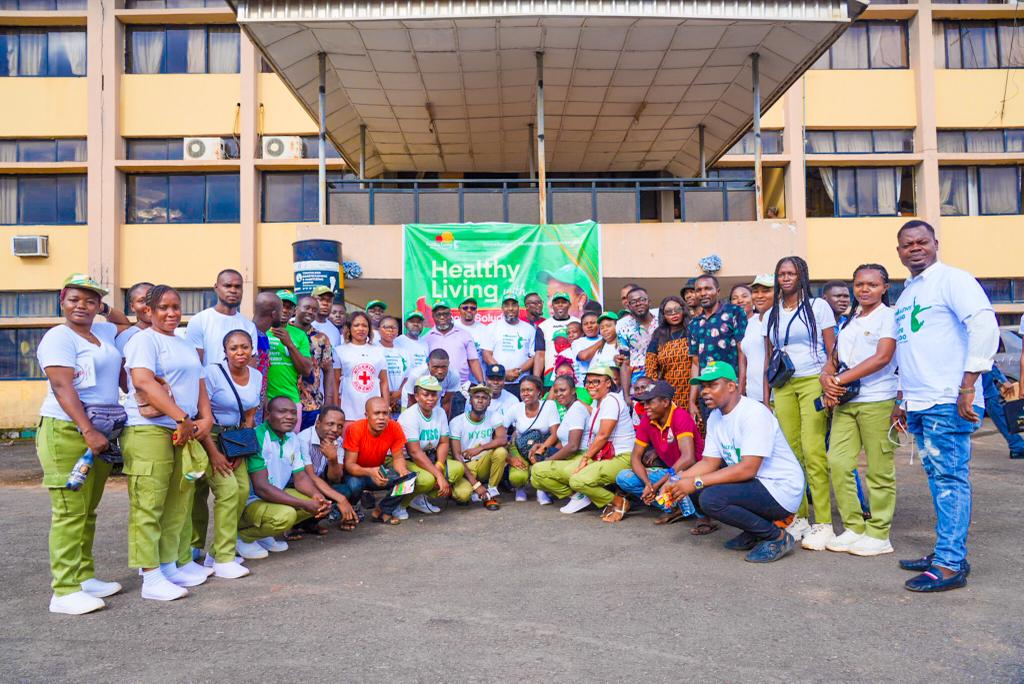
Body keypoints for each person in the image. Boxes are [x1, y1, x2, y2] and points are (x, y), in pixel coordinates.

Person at [891, 220, 998, 592]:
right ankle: (945, 550)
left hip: (947, 399)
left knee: (951, 480)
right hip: (921, 402)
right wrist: (903, 399)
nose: (915, 248)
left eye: (922, 242)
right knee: (939, 480)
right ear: (899, 251)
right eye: (907, 244)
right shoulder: (907, 294)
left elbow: (984, 324)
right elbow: (910, 351)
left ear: (936, 244)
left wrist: (969, 384)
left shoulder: (953, 279)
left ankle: (950, 564)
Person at [36, 275, 128, 614]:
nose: (82, 306)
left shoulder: (100, 331)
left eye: (90, 301)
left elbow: (122, 321)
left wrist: (104, 307)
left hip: (101, 430)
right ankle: (63, 590)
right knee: (69, 512)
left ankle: (84, 576)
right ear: (62, 299)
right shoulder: (58, 337)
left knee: (87, 511)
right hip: (68, 430)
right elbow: (63, 388)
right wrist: (87, 430)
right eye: (75, 299)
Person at [661, 361, 805, 563]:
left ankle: (776, 537)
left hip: (781, 488)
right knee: (696, 489)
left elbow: (748, 469)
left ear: (731, 386)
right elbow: (709, 462)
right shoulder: (715, 417)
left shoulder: (754, 413)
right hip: (756, 484)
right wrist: (677, 479)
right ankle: (754, 531)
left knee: (710, 497)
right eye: (703, 386)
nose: (705, 391)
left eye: (712, 385)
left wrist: (695, 481)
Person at [122, 284, 214, 601]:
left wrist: (205, 418)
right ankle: (150, 576)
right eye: (163, 307)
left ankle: (168, 564)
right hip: (150, 430)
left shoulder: (184, 343)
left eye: (176, 307)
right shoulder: (143, 341)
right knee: (149, 505)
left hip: (183, 430)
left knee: (178, 502)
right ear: (147, 310)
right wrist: (180, 418)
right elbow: (143, 381)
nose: (172, 313)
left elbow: (200, 382)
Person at [819, 264, 898, 556]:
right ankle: (853, 527)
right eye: (859, 284)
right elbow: (834, 358)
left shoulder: (888, 317)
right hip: (846, 402)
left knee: (879, 469)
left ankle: (879, 534)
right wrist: (826, 378)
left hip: (878, 399)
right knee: (838, 461)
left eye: (872, 285)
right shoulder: (851, 319)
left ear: (884, 288)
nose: (864, 290)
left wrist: (837, 380)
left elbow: (882, 357)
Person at [762, 255, 836, 544]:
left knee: (813, 450)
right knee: (790, 454)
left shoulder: (818, 307)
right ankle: (800, 518)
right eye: (781, 274)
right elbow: (770, 357)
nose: (786, 278)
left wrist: (828, 381)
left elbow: (833, 351)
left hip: (811, 381)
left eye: (791, 273)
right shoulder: (773, 313)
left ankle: (824, 523)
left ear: (802, 275)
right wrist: (767, 395)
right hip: (783, 385)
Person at [192, 329, 260, 578]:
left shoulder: (256, 375)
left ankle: (216, 552)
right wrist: (214, 454)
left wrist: (242, 448)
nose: (240, 353)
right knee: (227, 490)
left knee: (242, 490)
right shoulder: (211, 373)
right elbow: (202, 415)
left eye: (244, 347)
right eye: (234, 348)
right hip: (209, 438)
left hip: (235, 440)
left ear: (252, 349)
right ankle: (223, 559)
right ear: (225, 351)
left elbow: (251, 413)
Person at [236, 398, 331, 557]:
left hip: (273, 497)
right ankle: (242, 538)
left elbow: (300, 477)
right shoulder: (257, 436)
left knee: (317, 503)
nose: (289, 417)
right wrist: (304, 504)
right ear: (267, 415)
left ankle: (263, 535)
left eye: (293, 412)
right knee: (287, 515)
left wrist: (317, 497)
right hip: (251, 502)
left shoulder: (292, 438)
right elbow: (261, 488)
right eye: (282, 412)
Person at [610, 380, 707, 528]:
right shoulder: (647, 420)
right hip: (671, 472)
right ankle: (675, 507)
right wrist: (648, 484)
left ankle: (693, 509)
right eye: (644, 403)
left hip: (693, 472)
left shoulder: (680, 416)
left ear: (665, 402)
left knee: (678, 481)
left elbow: (688, 458)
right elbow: (635, 457)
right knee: (623, 478)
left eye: (650, 402)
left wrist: (657, 484)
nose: (645, 407)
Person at [557, 364, 636, 515]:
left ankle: (618, 502)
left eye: (596, 382)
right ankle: (588, 496)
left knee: (577, 480)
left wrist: (586, 457)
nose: (590, 386)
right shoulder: (599, 401)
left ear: (608, 383)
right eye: (588, 382)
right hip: (606, 454)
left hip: (622, 456)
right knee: (570, 472)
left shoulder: (611, 400)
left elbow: (603, 435)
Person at [334, 397, 410, 525]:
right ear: (367, 415)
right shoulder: (355, 428)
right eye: (376, 413)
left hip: (378, 472)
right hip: (357, 473)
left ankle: (383, 510)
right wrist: (370, 472)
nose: (381, 417)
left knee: (408, 480)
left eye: (385, 413)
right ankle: (351, 511)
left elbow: (398, 458)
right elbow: (349, 465)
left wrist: (402, 471)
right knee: (354, 485)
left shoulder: (394, 427)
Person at [397, 375, 464, 516]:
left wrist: (439, 464)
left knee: (457, 468)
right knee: (428, 479)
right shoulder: (409, 416)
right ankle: (399, 504)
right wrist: (438, 475)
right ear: (416, 396)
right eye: (425, 394)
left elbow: (444, 442)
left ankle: (418, 498)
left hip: (429, 457)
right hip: (406, 459)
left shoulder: (440, 412)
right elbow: (414, 452)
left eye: (434, 394)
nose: (430, 398)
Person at [687, 275, 747, 423]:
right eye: (699, 290)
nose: (703, 293)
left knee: (736, 435)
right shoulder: (694, 324)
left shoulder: (734, 312)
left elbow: (742, 352)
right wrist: (692, 400)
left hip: (731, 389)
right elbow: (695, 363)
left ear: (718, 291)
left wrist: (741, 387)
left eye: (708, 288)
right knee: (713, 434)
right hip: (707, 392)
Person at [294, 405, 359, 533]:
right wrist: (341, 499)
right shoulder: (303, 439)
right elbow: (310, 476)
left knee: (344, 490)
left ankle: (310, 524)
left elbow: (335, 478)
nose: (335, 429)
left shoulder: (338, 442)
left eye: (340, 426)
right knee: (335, 496)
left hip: (320, 483)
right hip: (299, 484)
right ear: (318, 423)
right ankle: (295, 525)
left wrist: (333, 459)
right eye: (330, 424)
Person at [529, 375, 592, 502]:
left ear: (573, 391)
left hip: (582, 457)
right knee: (536, 475)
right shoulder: (569, 409)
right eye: (556, 391)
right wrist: (543, 447)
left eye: (563, 390)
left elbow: (573, 446)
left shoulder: (577, 409)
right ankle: (576, 495)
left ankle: (578, 496)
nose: (558, 394)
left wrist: (549, 460)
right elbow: (564, 442)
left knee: (537, 471)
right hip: (573, 456)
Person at [449, 385, 508, 509]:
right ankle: (469, 489)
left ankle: (491, 491)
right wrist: (476, 485)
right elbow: (457, 455)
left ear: (489, 402)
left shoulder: (494, 416)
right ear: (470, 400)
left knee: (501, 451)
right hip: (465, 466)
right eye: (476, 397)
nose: (480, 400)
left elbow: (503, 439)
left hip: (483, 463)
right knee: (463, 495)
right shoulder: (457, 422)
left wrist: (479, 449)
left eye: (484, 398)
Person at [185, 269, 258, 367]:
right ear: (216, 287)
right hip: (207, 382)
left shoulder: (249, 326)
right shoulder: (199, 321)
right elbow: (194, 365)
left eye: (238, 287)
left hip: (238, 383)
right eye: (227, 286)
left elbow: (250, 367)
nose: (233, 290)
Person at [506, 375, 561, 503]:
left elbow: (555, 434)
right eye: (522, 390)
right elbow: (500, 432)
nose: (525, 393)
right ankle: (520, 488)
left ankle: (541, 488)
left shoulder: (549, 405)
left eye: (529, 390)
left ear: (539, 392)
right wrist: (510, 458)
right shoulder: (515, 408)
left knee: (541, 464)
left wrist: (539, 451)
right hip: (520, 447)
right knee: (517, 477)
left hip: (543, 445)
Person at [266, 296, 313, 432]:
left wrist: (290, 344)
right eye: (281, 306)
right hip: (264, 400)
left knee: (290, 445)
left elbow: (306, 370)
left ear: (294, 311)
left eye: (289, 307)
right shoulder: (261, 330)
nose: (285, 310)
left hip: (290, 399)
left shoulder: (299, 335)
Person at [336, 311, 389, 432]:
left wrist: (386, 407)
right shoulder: (339, 351)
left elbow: (384, 382)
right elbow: (335, 383)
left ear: (369, 329)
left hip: (374, 413)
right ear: (349, 328)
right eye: (356, 325)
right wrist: (336, 408)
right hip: (348, 411)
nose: (361, 329)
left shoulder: (379, 351)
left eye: (364, 325)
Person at [293, 295, 338, 430]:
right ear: (296, 309)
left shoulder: (321, 338)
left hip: (312, 404)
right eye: (307, 308)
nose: (310, 312)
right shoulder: (284, 333)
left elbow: (329, 370)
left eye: (314, 309)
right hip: (287, 402)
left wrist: (328, 404)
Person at [425, 301, 483, 401]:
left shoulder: (464, 334)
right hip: (433, 389)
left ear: (451, 315)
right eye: (438, 314)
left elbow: (473, 361)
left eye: (445, 314)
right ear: (433, 316)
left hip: (459, 390)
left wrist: (481, 383)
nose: (442, 317)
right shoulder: (427, 338)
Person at [482, 292, 536, 398]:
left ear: (518, 307)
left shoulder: (529, 329)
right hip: (497, 382)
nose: (510, 308)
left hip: (521, 382)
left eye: (514, 305)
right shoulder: (492, 327)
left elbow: (534, 357)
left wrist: (519, 372)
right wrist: (503, 372)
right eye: (507, 305)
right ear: (502, 308)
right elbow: (486, 354)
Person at [644, 295, 692, 410]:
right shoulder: (658, 335)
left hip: (693, 392)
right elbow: (651, 368)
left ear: (683, 311)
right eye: (669, 312)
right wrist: (657, 393)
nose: (674, 314)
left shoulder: (693, 330)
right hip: (668, 394)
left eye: (677, 310)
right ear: (663, 315)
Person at [616, 286, 659, 394]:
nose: (638, 303)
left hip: (662, 376)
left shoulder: (661, 319)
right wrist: (626, 395)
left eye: (642, 300)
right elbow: (625, 362)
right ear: (628, 306)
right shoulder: (623, 325)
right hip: (637, 382)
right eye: (633, 302)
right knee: (641, 410)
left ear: (649, 302)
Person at [739, 275, 774, 403]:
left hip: (775, 398)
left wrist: (766, 401)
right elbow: (744, 360)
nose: (759, 296)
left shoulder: (781, 321)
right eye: (755, 291)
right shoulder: (751, 322)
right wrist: (741, 394)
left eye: (766, 291)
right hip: (752, 396)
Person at [251, 292, 280, 424]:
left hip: (259, 408)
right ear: (274, 314)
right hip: (248, 410)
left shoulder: (263, 335)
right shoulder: (249, 335)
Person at [537, 291, 580, 382]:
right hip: (550, 376)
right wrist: (536, 379)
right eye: (557, 302)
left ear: (569, 304)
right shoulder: (543, 326)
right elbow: (540, 355)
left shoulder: (579, 323)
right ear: (552, 305)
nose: (560, 305)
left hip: (576, 374)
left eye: (564, 302)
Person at [982, 367, 1024, 459]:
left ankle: (1018, 447)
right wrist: (1003, 380)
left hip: (985, 387)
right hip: (980, 386)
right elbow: (986, 361)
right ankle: (1018, 447)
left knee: (1000, 415)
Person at [405, 349, 461, 414]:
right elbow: (411, 401)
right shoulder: (416, 375)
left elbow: (447, 402)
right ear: (428, 365)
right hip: (411, 399)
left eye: (444, 367)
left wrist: (444, 422)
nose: (440, 371)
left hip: (434, 399)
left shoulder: (454, 375)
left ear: (448, 364)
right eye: (435, 367)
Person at [378, 316, 412, 417]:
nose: (390, 330)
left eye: (394, 328)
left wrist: (399, 393)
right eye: (386, 327)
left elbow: (407, 376)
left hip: (400, 399)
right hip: (379, 397)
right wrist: (385, 395)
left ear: (398, 332)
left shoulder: (403, 351)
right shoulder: (373, 349)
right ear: (379, 329)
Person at [576, 311, 621, 375]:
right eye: (602, 327)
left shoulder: (622, 346)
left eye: (608, 326)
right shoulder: (600, 347)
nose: (605, 329)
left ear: (617, 326)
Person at [115, 281, 154, 353]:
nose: (149, 305)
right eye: (142, 301)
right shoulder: (127, 337)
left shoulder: (173, 334)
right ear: (132, 307)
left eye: (153, 299)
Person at [310, 285, 343, 350]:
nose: (325, 303)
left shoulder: (335, 331)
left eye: (329, 300)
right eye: (321, 299)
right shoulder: (302, 324)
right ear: (311, 300)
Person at [570, 311, 600, 378]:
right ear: (582, 327)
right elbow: (583, 357)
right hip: (584, 383)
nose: (589, 326)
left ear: (599, 324)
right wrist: (603, 341)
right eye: (585, 324)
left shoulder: (607, 339)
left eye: (592, 323)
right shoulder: (577, 342)